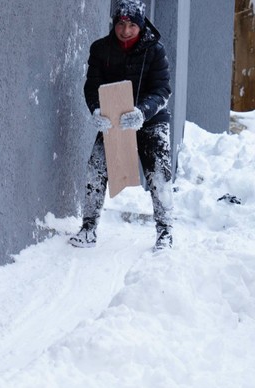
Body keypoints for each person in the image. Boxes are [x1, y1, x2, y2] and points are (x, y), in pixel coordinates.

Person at [69, 0, 174, 251]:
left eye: (131, 25)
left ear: (140, 25)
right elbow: (92, 86)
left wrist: (142, 111)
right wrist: (96, 109)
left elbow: (162, 90)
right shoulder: (101, 49)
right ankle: (88, 227)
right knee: (96, 168)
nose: (125, 30)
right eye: (121, 24)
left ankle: (165, 231)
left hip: (150, 119)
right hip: (114, 120)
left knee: (159, 173)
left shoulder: (155, 50)